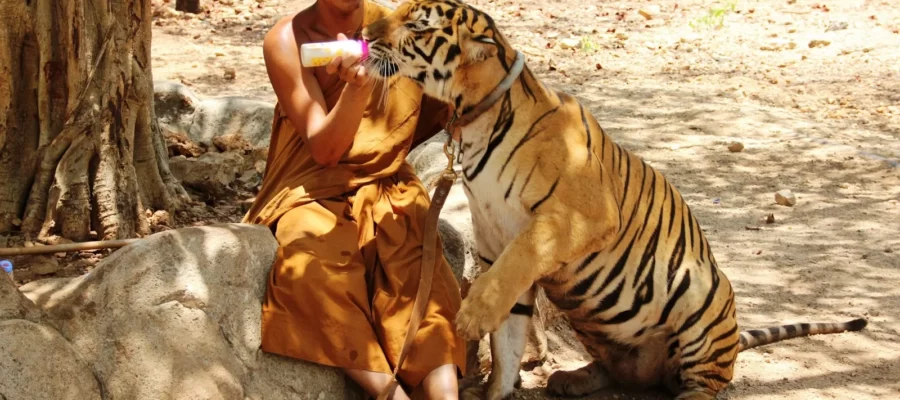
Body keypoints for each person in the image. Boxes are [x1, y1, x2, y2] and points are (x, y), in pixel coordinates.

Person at [242, 0, 466, 398]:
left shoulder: (397, 29)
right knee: (309, 271)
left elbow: (437, 109)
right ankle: (389, 394)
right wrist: (356, 87)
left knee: (421, 276)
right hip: (310, 189)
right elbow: (325, 150)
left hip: (385, 180)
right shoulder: (287, 40)